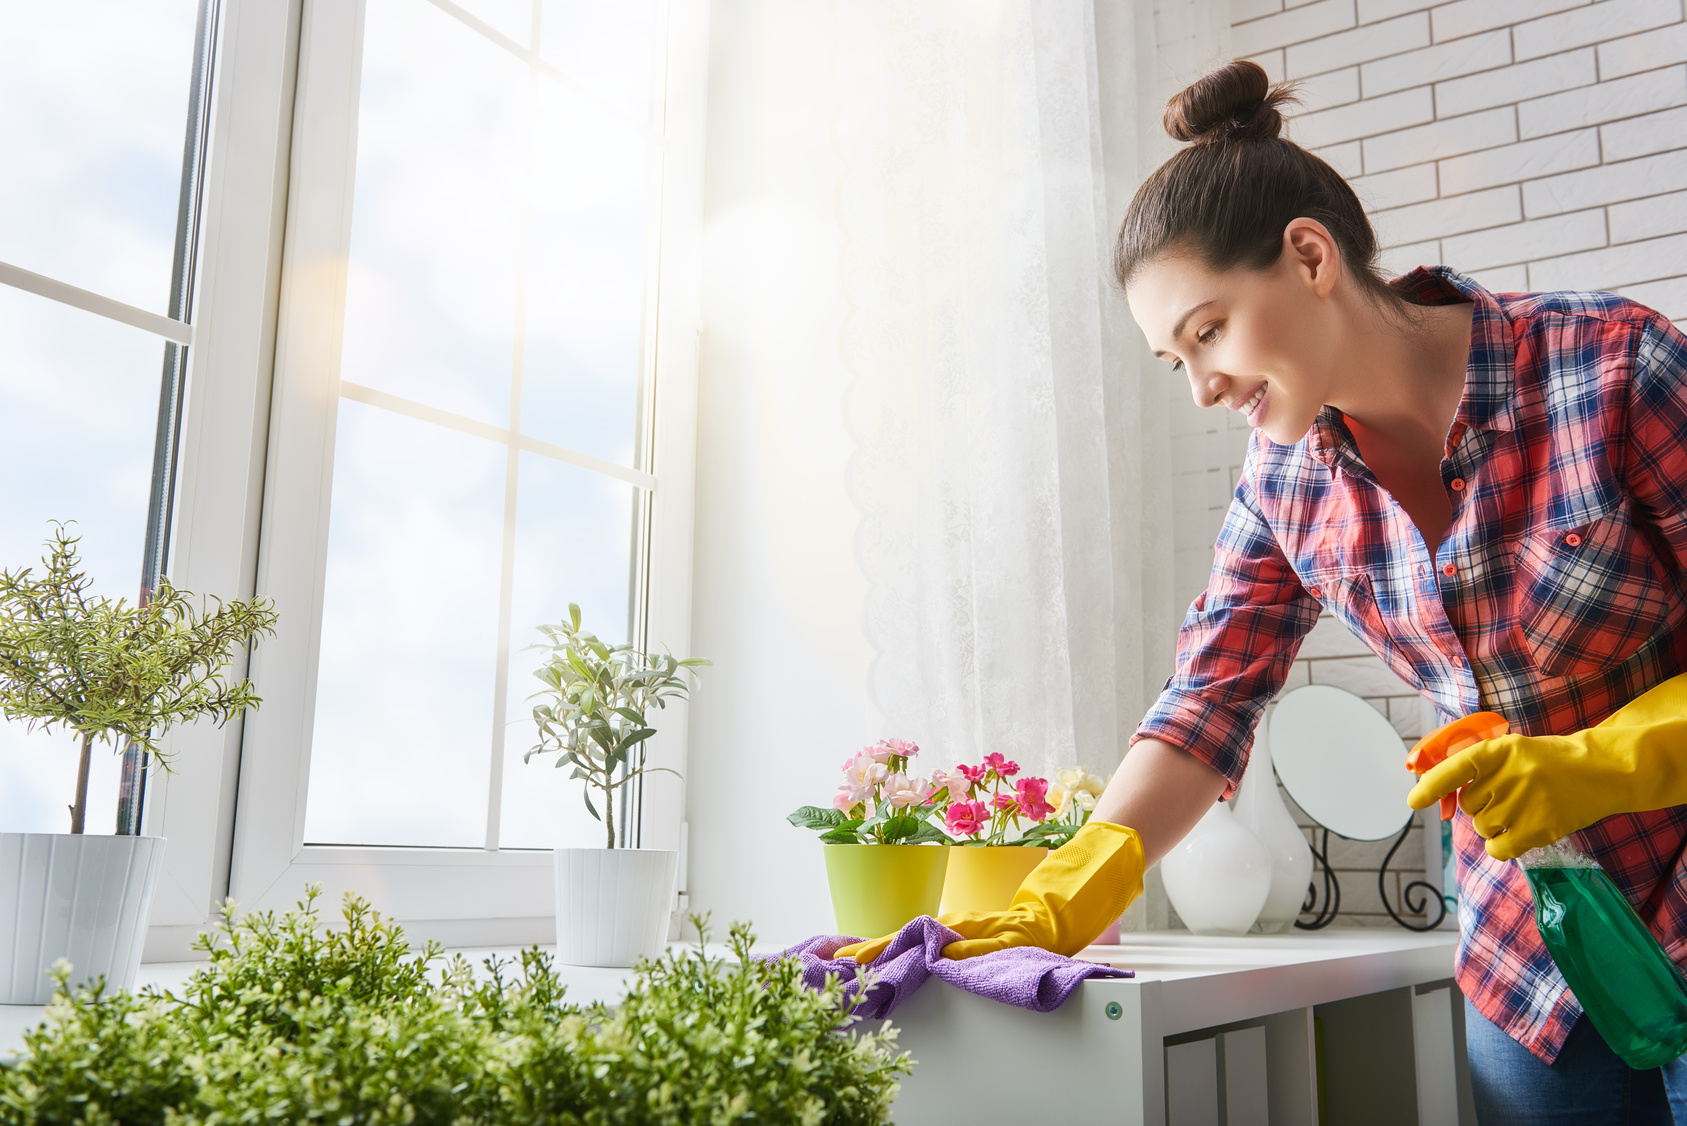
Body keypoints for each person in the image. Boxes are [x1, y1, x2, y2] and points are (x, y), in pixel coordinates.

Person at [837, 58, 1687, 1123]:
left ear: (1310, 254)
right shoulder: (1282, 483)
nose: (1201, 386)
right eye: (1171, 360)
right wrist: (1068, 888)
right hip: (1534, 967)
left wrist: (1595, 762)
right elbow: (1208, 700)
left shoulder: (1608, 368)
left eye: (1208, 330)